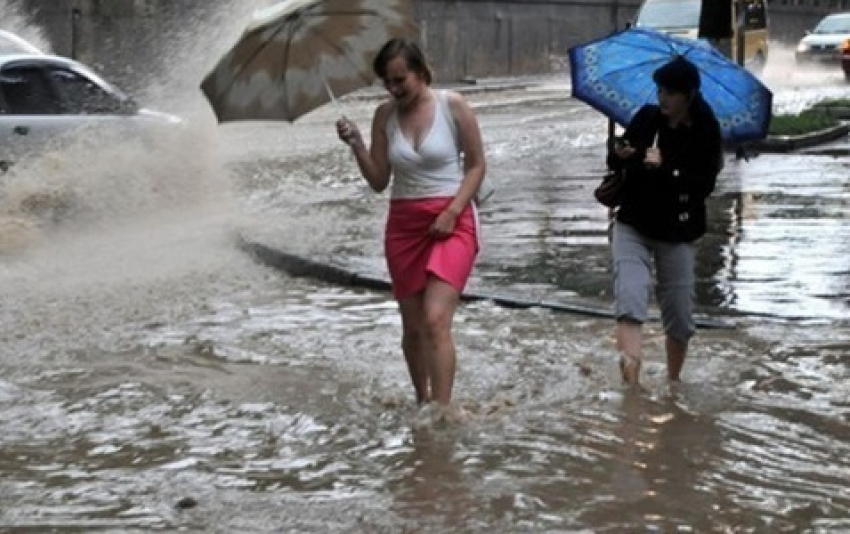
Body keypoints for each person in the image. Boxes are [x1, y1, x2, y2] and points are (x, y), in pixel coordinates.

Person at [335, 38, 486, 405]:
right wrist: (356, 144)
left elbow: (477, 166)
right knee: (414, 327)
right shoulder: (384, 116)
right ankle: (422, 401)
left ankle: (442, 410)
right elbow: (378, 181)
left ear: (421, 72)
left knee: (436, 319)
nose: (393, 88)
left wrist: (452, 211)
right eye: (387, 81)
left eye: (400, 80)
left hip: (452, 219)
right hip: (403, 226)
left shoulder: (453, 106)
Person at [606, 55, 723, 386]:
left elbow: (703, 185)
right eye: (659, 91)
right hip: (633, 224)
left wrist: (668, 166)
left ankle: (673, 382)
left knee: (680, 320)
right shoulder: (647, 118)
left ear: (688, 95)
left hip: (677, 231)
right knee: (630, 300)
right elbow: (617, 157)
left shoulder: (706, 129)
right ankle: (631, 387)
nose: (662, 99)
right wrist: (620, 152)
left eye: (670, 93)